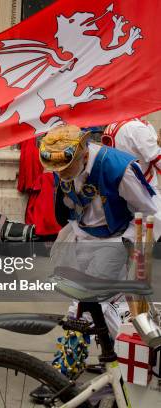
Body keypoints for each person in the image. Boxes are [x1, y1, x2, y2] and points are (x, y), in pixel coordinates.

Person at [30, 123, 158, 400]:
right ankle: (122, 364)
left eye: (66, 167)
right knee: (111, 312)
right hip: (82, 238)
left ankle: (64, 375)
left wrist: (129, 248)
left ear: (83, 153)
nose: (61, 174)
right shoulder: (61, 163)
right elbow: (69, 205)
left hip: (118, 242)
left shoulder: (119, 168)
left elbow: (151, 211)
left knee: (83, 306)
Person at [102, 118, 161, 239]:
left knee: (138, 217)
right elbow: (155, 156)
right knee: (151, 217)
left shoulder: (113, 123)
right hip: (141, 184)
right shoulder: (136, 127)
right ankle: (130, 242)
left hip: (122, 180)